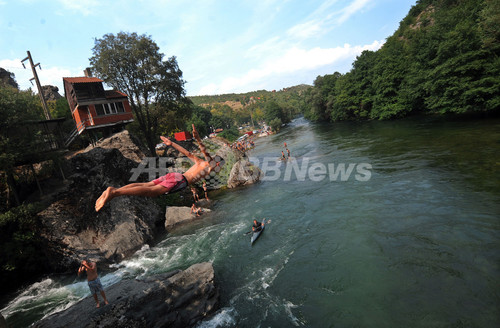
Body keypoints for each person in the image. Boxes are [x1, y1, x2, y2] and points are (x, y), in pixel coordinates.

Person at [95, 124, 224, 212]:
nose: (218, 168)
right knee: (152, 192)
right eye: (220, 165)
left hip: (175, 175)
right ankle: (115, 193)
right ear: (217, 163)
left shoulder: (199, 162)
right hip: (179, 181)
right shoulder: (209, 166)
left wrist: (171, 143)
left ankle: (114, 190)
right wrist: (198, 139)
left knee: (146, 185)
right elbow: (206, 154)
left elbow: (187, 153)